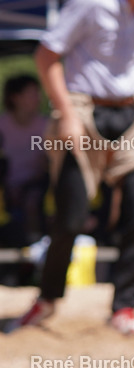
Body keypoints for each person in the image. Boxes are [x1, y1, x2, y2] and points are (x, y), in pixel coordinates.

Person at [6, 0, 134, 335]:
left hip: (132, 112)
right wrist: (66, 113)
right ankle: (47, 298)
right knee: (71, 216)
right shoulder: (89, 4)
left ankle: (124, 308)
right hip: (82, 108)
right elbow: (46, 57)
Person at [0, 75, 49, 252]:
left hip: (36, 188)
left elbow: (48, 164)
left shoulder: (46, 126)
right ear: (15, 97)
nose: (39, 98)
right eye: (33, 93)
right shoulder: (2, 125)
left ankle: (35, 247)